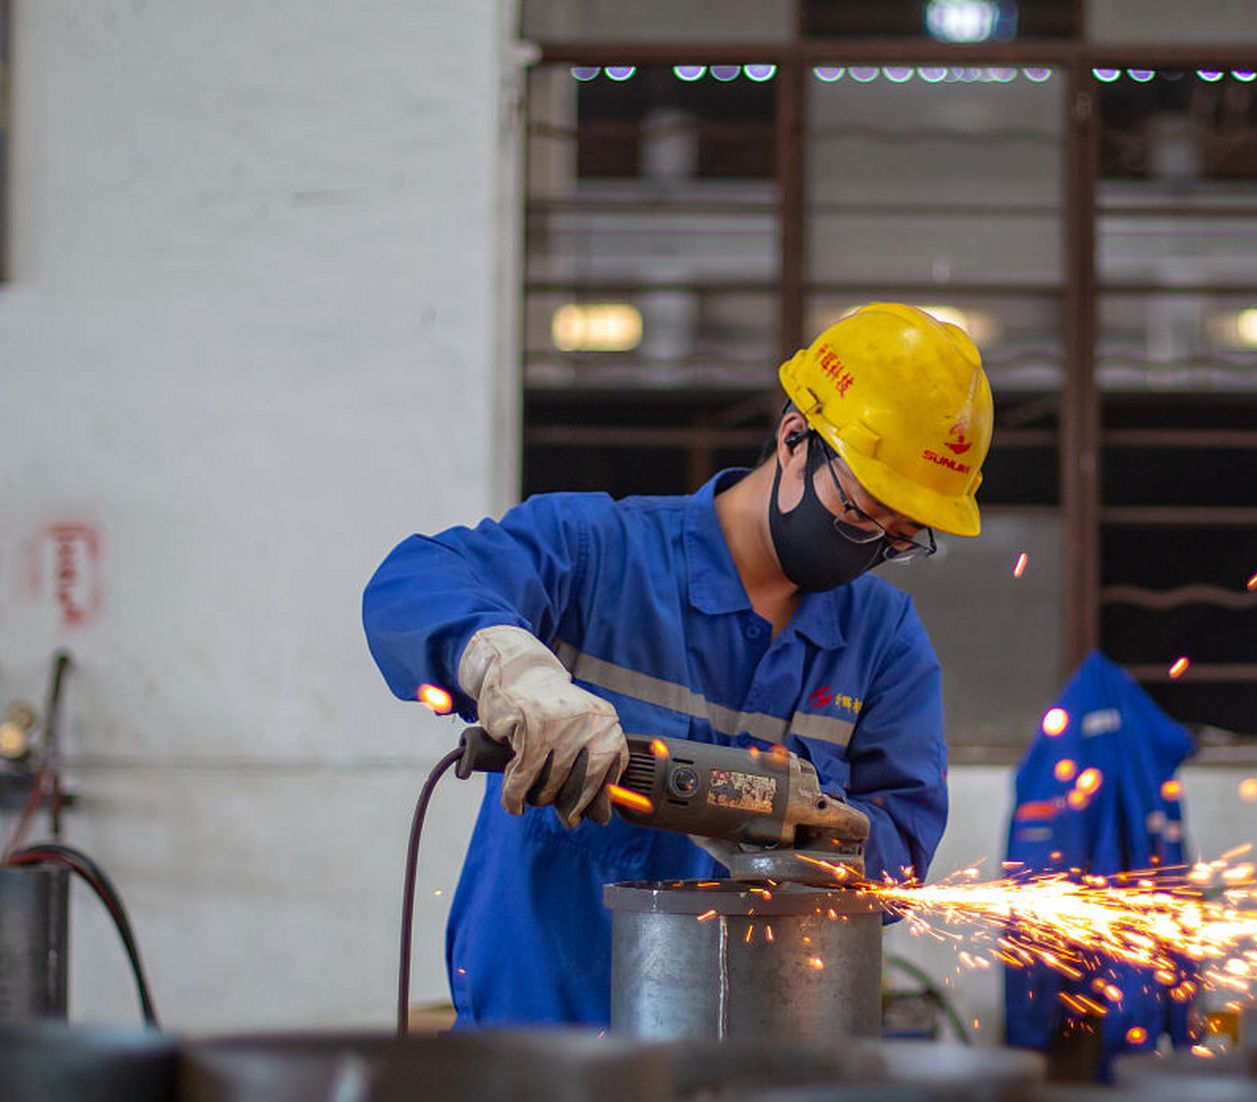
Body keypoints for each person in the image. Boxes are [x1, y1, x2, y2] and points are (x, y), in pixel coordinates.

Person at [362, 303, 992, 1025]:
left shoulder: (883, 640)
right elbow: (415, 579)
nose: (869, 545)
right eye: (858, 512)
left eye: (900, 536)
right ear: (794, 439)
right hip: (538, 1061)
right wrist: (512, 670)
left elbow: (899, 854)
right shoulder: (595, 553)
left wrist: (793, 835)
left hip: (748, 1073)